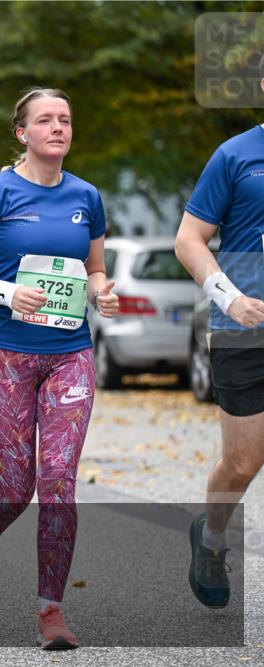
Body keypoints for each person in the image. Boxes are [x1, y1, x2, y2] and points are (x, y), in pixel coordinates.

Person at [0, 87, 118, 650]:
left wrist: (102, 293)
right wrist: (3, 291)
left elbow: (94, 269)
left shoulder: (86, 196)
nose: (58, 127)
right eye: (45, 120)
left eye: (65, 119)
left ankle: (52, 611)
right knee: (15, 485)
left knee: (59, 483)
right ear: (23, 133)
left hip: (69, 352)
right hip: (3, 354)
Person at [174, 89, 264, 609]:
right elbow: (189, 239)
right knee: (243, 463)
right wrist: (230, 299)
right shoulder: (235, 155)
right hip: (245, 331)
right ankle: (210, 539)